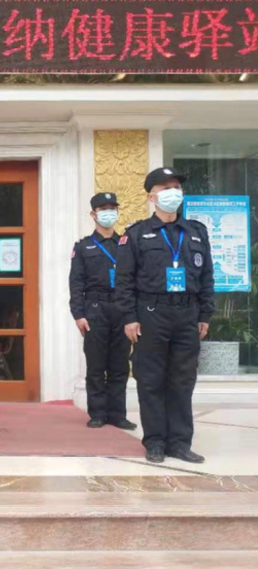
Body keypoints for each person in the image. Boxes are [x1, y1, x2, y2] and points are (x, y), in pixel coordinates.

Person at [116, 167, 214, 464]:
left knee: (183, 380)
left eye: (176, 187)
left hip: (187, 314)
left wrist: (205, 314)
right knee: (151, 379)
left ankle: (180, 443)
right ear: (152, 197)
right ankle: (155, 441)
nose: (173, 193)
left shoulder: (196, 232)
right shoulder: (136, 234)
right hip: (151, 313)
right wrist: (129, 317)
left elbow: (207, 276)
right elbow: (124, 281)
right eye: (166, 188)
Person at [69, 193, 137, 431]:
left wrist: (133, 314)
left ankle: (118, 414)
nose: (109, 213)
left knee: (120, 365)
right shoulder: (83, 247)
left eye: (112, 208)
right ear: (93, 214)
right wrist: (78, 314)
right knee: (96, 365)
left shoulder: (126, 245)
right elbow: (76, 283)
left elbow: (136, 280)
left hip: (122, 308)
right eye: (103, 209)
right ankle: (97, 413)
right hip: (95, 309)